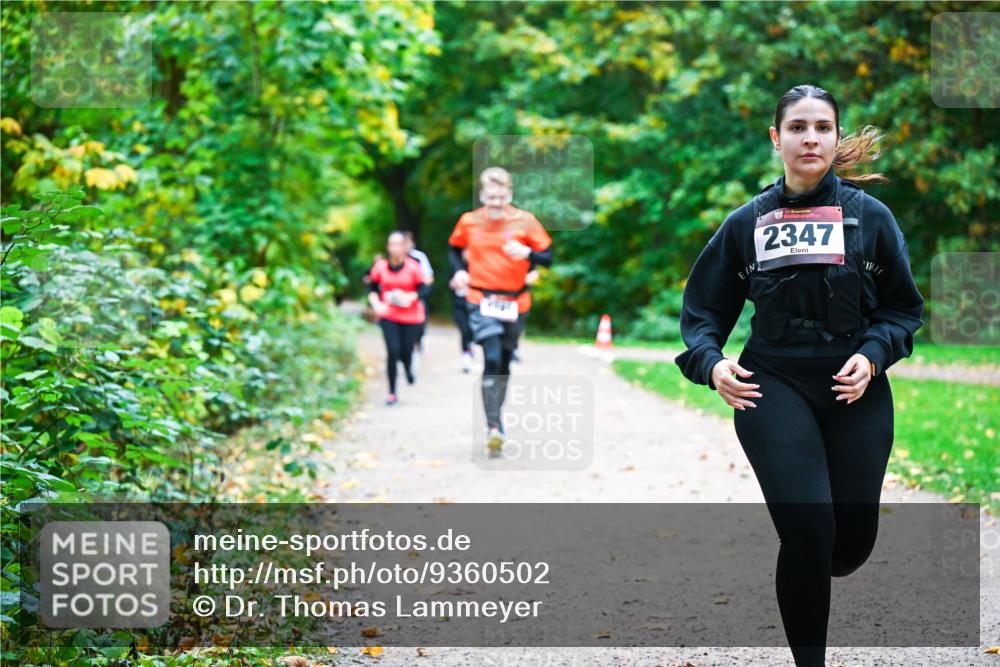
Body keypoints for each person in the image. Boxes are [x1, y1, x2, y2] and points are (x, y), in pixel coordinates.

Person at [674, 84, 924, 667]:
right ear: (776, 138)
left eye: (822, 127)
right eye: (796, 127)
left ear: (836, 138)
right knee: (809, 532)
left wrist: (874, 353)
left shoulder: (871, 218)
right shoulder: (746, 223)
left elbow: (902, 310)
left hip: (854, 388)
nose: (809, 137)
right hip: (773, 386)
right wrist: (712, 365)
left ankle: (826, 552)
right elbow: (702, 314)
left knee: (847, 546)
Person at [448, 167, 553, 450]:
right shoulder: (469, 222)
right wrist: (459, 271)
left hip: (516, 302)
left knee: (504, 361)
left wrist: (528, 254)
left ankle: (496, 419)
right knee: (491, 357)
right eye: (491, 197)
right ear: (482, 196)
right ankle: (494, 426)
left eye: (501, 196)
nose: (496, 202)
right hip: (480, 299)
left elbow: (548, 257)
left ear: (510, 195)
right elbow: (454, 249)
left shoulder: (526, 221)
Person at [367, 232, 429, 406]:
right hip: (389, 314)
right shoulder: (380, 267)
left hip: (411, 316)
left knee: (405, 351)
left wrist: (410, 296)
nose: (394, 248)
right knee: (392, 352)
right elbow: (371, 288)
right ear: (388, 247)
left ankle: (408, 367)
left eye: (398, 244)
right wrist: (376, 304)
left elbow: (424, 290)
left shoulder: (413, 267)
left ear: (404, 247)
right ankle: (392, 393)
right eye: (391, 244)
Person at [403, 231, 434, 356]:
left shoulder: (419, 257)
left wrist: (421, 290)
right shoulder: (394, 259)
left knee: (420, 323)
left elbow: (429, 277)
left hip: (417, 295)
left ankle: (418, 340)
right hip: (400, 297)